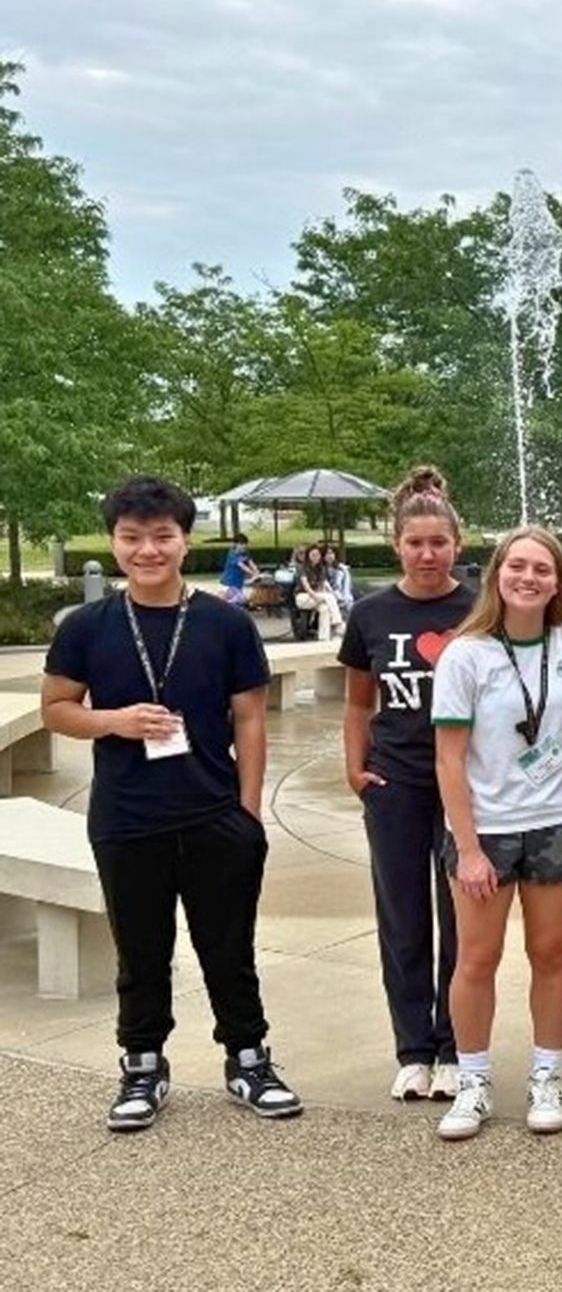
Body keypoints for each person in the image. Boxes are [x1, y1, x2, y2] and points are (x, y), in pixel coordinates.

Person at [42, 475, 302, 1132]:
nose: (148, 550)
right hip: (128, 816)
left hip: (214, 812)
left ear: (186, 540)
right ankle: (142, 1064)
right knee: (141, 950)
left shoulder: (224, 623)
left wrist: (248, 813)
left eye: (162, 536)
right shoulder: (87, 627)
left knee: (229, 948)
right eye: (132, 538)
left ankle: (247, 1058)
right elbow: (57, 709)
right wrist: (115, 722)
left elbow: (250, 720)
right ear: (114, 542)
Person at [430, 527, 562, 1141]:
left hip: (553, 823)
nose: (529, 578)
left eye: (542, 570)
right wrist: (466, 848)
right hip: (486, 830)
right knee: (478, 958)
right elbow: (449, 759)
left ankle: (546, 1076)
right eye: (517, 566)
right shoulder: (465, 654)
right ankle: (472, 1080)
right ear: (497, 573)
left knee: (550, 954)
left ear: (558, 582)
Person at [339, 466, 474, 1104]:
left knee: (460, 917)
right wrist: (355, 764)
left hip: (462, 786)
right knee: (402, 916)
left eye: (438, 543)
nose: (427, 554)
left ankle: (452, 1044)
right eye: (415, 543)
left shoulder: (478, 608)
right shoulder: (370, 613)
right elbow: (358, 702)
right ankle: (413, 1048)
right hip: (394, 782)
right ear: (397, 543)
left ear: (458, 543)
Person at [298, 543, 345, 642]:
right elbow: (305, 585)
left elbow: (324, 584)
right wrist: (315, 596)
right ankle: (338, 623)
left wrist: (327, 594)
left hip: (318, 596)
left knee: (325, 609)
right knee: (329, 597)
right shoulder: (303, 567)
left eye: (317, 555)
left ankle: (324, 638)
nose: (315, 557)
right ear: (308, 555)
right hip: (303, 597)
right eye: (313, 555)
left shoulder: (321, 569)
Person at [219, 536, 258, 605]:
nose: (244, 546)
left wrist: (257, 571)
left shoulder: (245, 553)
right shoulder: (232, 554)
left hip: (237, 585)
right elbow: (242, 566)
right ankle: (226, 604)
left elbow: (251, 563)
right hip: (228, 584)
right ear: (236, 544)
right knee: (242, 599)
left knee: (240, 601)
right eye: (242, 544)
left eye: (245, 544)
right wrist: (253, 574)